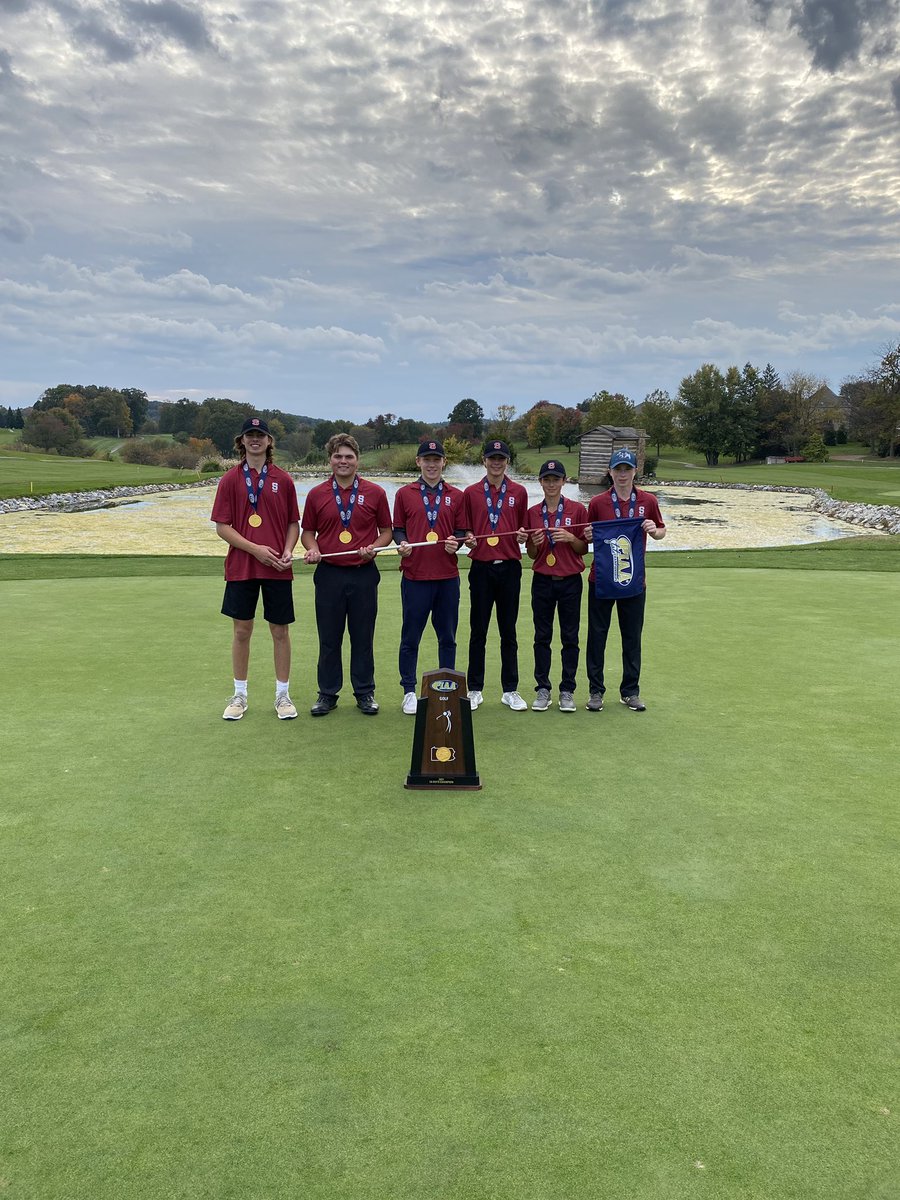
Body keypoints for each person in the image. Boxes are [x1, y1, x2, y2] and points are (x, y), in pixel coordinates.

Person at [211, 416, 300, 721]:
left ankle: (282, 695)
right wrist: (255, 550)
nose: (255, 439)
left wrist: (288, 550)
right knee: (241, 631)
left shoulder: (283, 480)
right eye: (249, 435)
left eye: (260, 435)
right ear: (242, 441)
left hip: (277, 566)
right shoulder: (229, 479)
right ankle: (239, 695)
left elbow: (293, 524)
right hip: (242, 566)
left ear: (269, 441)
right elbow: (222, 527)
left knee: (280, 631)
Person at [301, 433, 392, 716]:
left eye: (349, 457)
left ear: (357, 460)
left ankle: (364, 692)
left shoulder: (375, 493)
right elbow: (307, 533)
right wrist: (313, 549)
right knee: (329, 638)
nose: (343, 461)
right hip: (329, 575)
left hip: (363, 573)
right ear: (330, 460)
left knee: (362, 637)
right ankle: (327, 694)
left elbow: (386, 532)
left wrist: (374, 548)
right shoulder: (317, 494)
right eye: (338, 456)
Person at [584, 448, 666, 712]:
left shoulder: (648, 501)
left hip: (634, 581)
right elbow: (587, 534)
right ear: (610, 472)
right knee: (597, 636)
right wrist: (587, 534)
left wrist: (654, 530)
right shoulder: (598, 502)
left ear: (635, 471)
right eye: (617, 469)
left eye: (627, 469)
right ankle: (596, 691)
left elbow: (661, 530)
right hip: (601, 579)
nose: (622, 474)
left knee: (632, 637)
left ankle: (630, 691)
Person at [393, 440, 467, 714]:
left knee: (447, 637)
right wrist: (402, 543)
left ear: (444, 462)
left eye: (437, 459)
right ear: (418, 462)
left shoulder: (456, 495)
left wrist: (456, 543)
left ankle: (446, 690)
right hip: (415, 576)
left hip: (447, 577)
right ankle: (409, 691)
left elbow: (461, 531)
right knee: (410, 637)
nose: (432, 464)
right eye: (427, 459)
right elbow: (398, 528)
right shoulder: (404, 494)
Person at [461, 439, 529, 711]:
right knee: (478, 630)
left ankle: (509, 689)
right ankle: (475, 688)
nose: (496, 463)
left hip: (510, 567)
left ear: (507, 462)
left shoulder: (519, 492)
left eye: (501, 458)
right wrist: (468, 537)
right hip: (481, 568)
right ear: (484, 461)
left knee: (508, 631)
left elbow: (523, 528)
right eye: (492, 458)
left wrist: (523, 536)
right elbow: (465, 528)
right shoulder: (471, 493)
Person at [525, 460, 589, 712]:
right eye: (547, 479)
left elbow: (583, 549)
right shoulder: (533, 512)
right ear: (540, 482)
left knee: (570, 637)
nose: (551, 484)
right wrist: (535, 543)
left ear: (564, 481)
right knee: (542, 636)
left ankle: (567, 690)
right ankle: (543, 688)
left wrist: (571, 538)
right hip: (542, 581)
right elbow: (531, 554)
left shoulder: (577, 510)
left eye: (556, 479)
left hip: (570, 581)